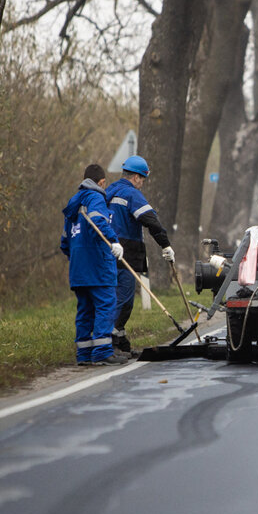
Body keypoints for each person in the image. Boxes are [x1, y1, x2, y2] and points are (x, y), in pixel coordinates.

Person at [60, 164, 129, 366]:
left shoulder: (73, 204)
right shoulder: (96, 197)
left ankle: (84, 354)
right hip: (98, 267)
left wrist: (77, 258)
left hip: (78, 270)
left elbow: (64, 243)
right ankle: (102, 352)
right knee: (105, 306)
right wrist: (114, 241)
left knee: (85, 311)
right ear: (102, 182)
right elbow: (99, 221)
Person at [106, 155, 174, 357]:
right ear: (136, 177)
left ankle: (119, 338)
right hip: (125, 253)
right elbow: (150, 220)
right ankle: (112, 343)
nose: (142, 184)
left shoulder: (108, 191)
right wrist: (166, 245)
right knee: (124, 299)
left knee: (110, 297)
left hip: (105, 252)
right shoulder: (131, 194)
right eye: (142, 179)